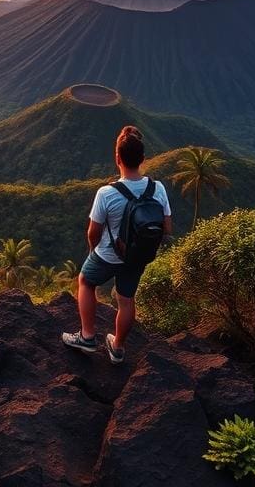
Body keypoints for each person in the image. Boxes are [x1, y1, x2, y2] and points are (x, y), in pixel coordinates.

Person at [62, 126, 172, 364]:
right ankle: (118, 347)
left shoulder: (106, 193)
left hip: (108, 256)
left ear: (117, 158)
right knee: (126, 300)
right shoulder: (158, 188)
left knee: (85, 281)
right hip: (137, 258)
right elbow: (167, 229)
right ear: (143, 159)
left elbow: (94, 231)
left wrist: (94, 251)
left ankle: (87, 337)